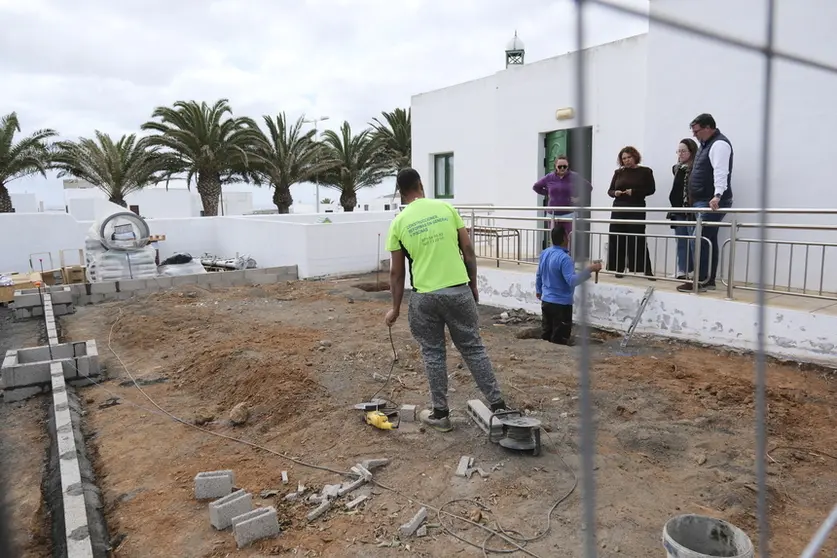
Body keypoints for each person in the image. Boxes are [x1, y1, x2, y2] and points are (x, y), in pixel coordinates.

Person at [385, 168, 507, 432]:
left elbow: (397, 272)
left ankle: (440, 414)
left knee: (433, 352)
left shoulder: (398, 223)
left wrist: (395, 308)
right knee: (473, 348)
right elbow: (468, 250)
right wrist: (473, 285)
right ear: (420, 184)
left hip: (424, 298)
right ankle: (499, 406)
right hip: (458, 291)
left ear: (400, 192)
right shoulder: (446, 209)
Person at [677, 113, 734, 292]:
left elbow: (721, 171)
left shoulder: (719, 144)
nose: (694, 135)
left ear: (708, 128)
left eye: (697, 131)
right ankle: (707, 280)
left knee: (699, 238)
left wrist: (717, 195)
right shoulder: (705, 145)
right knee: (707, 238)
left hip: (710, 201)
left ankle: (701, 280)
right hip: (702, 201)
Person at [536, 225, 602, 346]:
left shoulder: (545, 253)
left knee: (546, 335)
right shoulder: (565, 259)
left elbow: (539, 274)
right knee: (559, 339)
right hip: (561, 305)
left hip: (546, 301)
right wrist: (590, 269)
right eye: (567, 236)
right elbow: (572, 281)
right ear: (564, 238)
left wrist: (538, 290)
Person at [606, 146, 656, 279]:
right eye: (624, 158)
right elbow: (610, 190)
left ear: (635, 157)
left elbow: (651, 189)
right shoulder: (618, 172)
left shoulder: (645, 171)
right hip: (619, 208)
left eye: (629, 157)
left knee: (637, 237)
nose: (626, 160)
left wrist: (634, 192)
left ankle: (645, 269)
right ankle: (618, 268)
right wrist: (615, 193)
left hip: (636, 207)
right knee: (618, 237)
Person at [532, 156, 593, 246]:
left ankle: (568, 255)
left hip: (569, 214)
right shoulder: (549, 177)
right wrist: (547, 193)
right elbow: (536, 187)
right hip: (552, 214)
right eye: (560, 166)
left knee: (568, 239)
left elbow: (588, 187)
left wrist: (578, 198)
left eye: (565, 166)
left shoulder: (574, 176)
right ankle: (555, 255)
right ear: (555, 166)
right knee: (554, 240)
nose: (562, 168)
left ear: (568, 166)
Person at [668, 138, 698, 280]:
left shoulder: (697, 168)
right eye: (678, 151)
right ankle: (682, 269)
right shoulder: (677, 168)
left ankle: (695, 271)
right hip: (678, 209)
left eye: (683, 151)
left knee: (693, 241)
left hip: (691, 209)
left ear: (691, 151)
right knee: (681, 240)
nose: (680, 154)